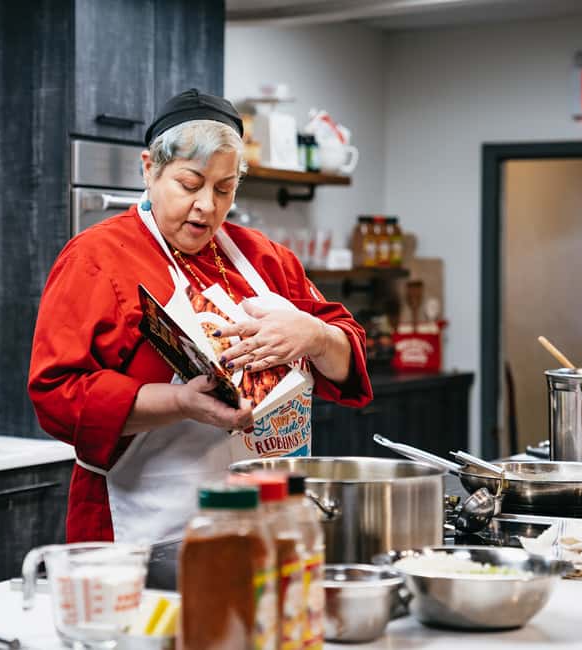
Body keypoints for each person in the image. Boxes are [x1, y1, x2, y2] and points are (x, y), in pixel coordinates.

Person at [28, 88, 373, 544]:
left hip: (268, 523)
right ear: (150, 169)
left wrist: (316, 336)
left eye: (224, 189)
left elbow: (348, 358)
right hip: (149, 528)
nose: (207, 206)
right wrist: (179, 403)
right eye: (190, 185)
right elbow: (57, 395)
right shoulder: (96, 259)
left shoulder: (266, 259)